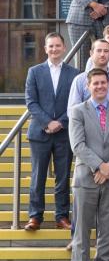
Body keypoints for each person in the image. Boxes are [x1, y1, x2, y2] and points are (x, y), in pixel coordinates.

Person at [23, 34, 78, 232]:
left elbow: (75, 104)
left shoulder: (74, 74)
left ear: (64, 48)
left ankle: (61, 216)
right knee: (38, 177)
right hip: (40, 132)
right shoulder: (34, 72)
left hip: (64, 133)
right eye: (51, 46)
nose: (54, 49)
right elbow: (31, 102)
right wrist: (48, 122)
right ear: (45, 49)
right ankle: (35, 216)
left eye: (58, 46)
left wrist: (60, 123)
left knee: (63, 177)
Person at [68, 39, 109, 111]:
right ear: (91, 53)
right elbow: (73, 111)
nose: (102, 54)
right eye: (99, 51)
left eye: (106, 51)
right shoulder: (80, 80)